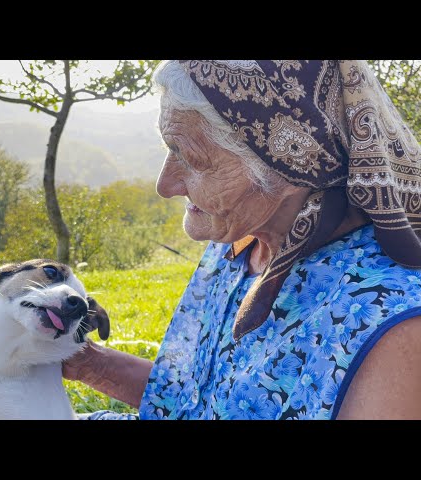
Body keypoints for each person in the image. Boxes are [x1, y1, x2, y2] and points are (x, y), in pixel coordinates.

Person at [63, 60, 421, 420]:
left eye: (192, 158)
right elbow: (193, 403)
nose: (165, 185)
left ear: (290, 163)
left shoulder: (391, 325)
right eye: (168, 149)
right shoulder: (241, 246)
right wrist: (84, 363)